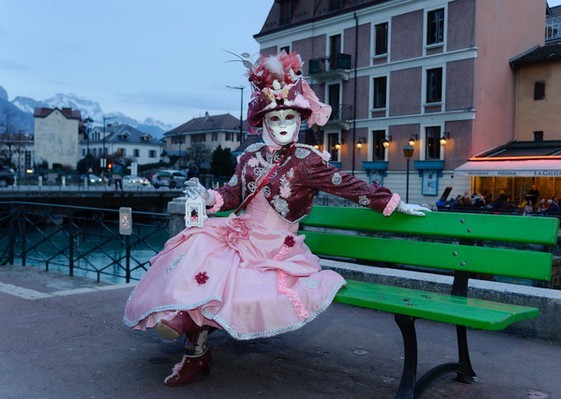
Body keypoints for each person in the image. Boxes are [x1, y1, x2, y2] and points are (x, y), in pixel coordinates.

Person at [123, 51, 429, 386]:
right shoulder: (250, 156)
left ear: (299, 122)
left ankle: (190, 336)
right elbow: (234, 194)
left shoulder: (307, 160)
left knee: (227, 276)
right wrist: (210, 198)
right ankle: (188, 335)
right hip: (238, 232)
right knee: (196, 247)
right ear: (264, 123)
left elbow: (347, 185)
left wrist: (393, 202)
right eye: (276, 119)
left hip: (275, 246)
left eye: (289, 119)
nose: (283, 126)